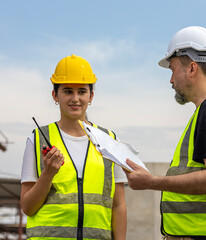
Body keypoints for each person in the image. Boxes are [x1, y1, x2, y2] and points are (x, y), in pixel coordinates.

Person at [125, 26, 206, 240]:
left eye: (172, 70)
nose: (171, 80)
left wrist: (152, 182)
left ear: (191, 69)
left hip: (203, 235)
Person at [20, 54, 127, 240]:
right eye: (68, 91)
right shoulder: (37, 140)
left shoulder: (109, 140)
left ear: (91, 96)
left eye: (82, 92)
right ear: (55, 95)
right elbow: (28, 207)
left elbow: (118, 205)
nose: (75, 98)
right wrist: (48, 174)